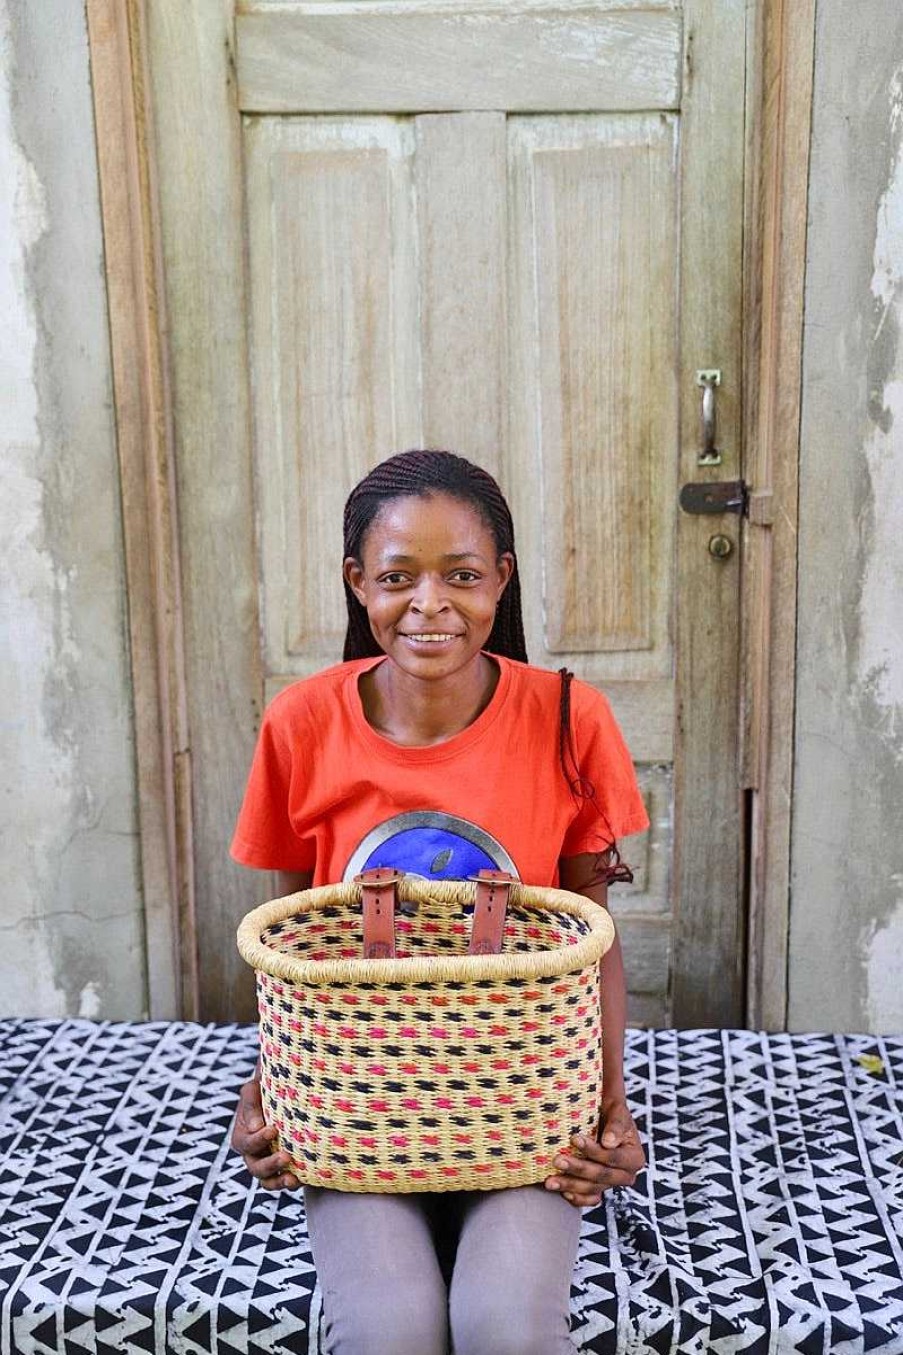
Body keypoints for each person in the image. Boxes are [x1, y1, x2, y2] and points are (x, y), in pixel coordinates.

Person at [230, 449, 648, 1355]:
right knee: (390, 1328)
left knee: (504, 1324)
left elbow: (593, 937)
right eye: (395, 578)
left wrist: (610, 1110)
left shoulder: (572, 719)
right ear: (356, 583)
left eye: (461, 574)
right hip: (359, 1108)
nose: (429, 605)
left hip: (527, 1103)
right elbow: (291, 957)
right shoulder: (300, 724)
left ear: (501, 578)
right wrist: (268, 1093)